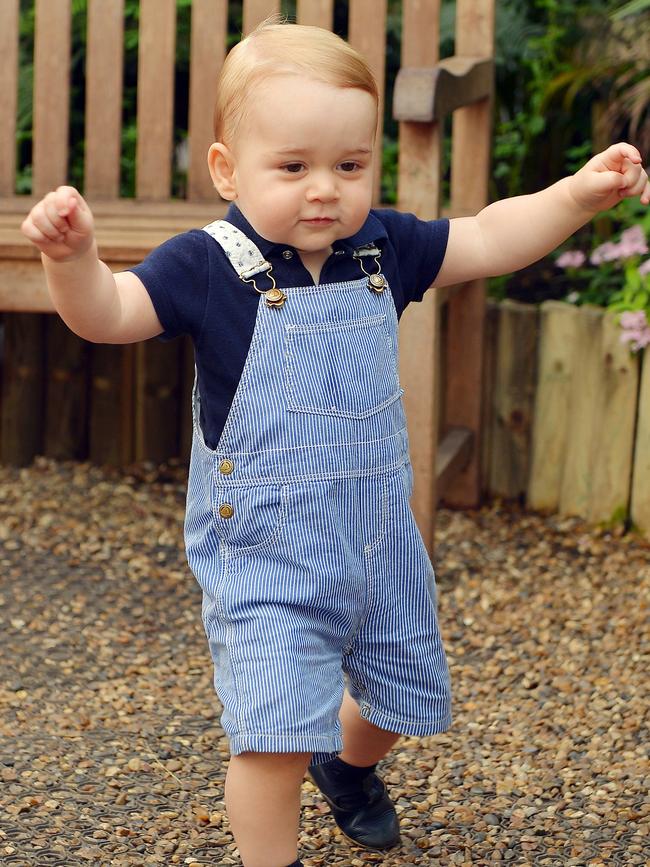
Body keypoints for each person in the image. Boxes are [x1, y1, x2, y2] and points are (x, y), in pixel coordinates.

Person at [21, 19, 649, 867]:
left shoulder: (381, 247)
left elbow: (491, 236)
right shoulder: (209, 265)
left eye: (349, 166)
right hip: (266, 551)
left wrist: (575, 196)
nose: (325, 190)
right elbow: (109, 314)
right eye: (293, 167)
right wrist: (74, 260)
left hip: (376, 532)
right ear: (226, 170)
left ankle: (347, 766)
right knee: (272, 734)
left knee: (398, 696)